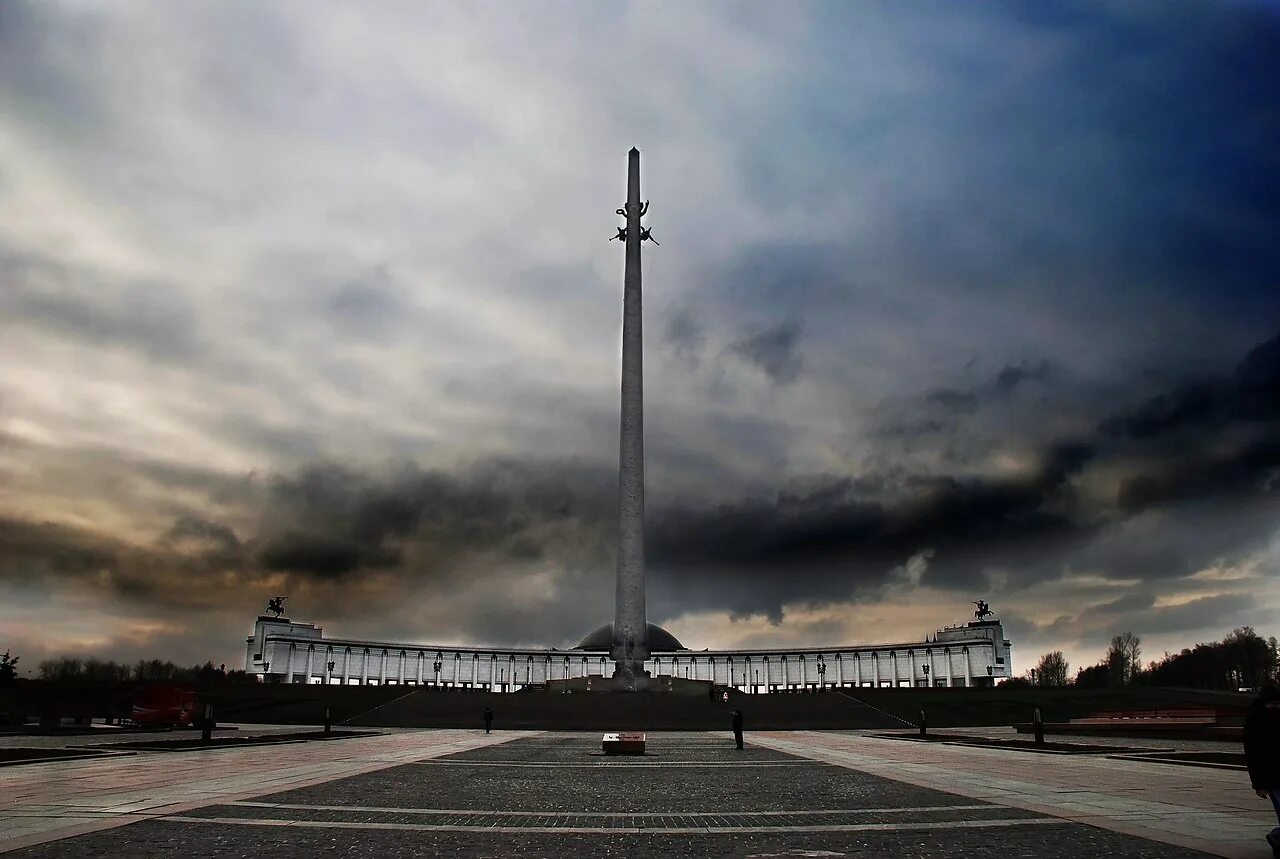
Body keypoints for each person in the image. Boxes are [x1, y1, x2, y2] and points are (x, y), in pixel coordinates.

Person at [1244, 685, 1280, 856]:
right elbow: (1252, 754)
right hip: (1272, 776)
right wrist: (1258, 783)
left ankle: (1277, 838)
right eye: (1273, 704)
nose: (1276, 707)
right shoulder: (1255, 721)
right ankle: (1277, 837)